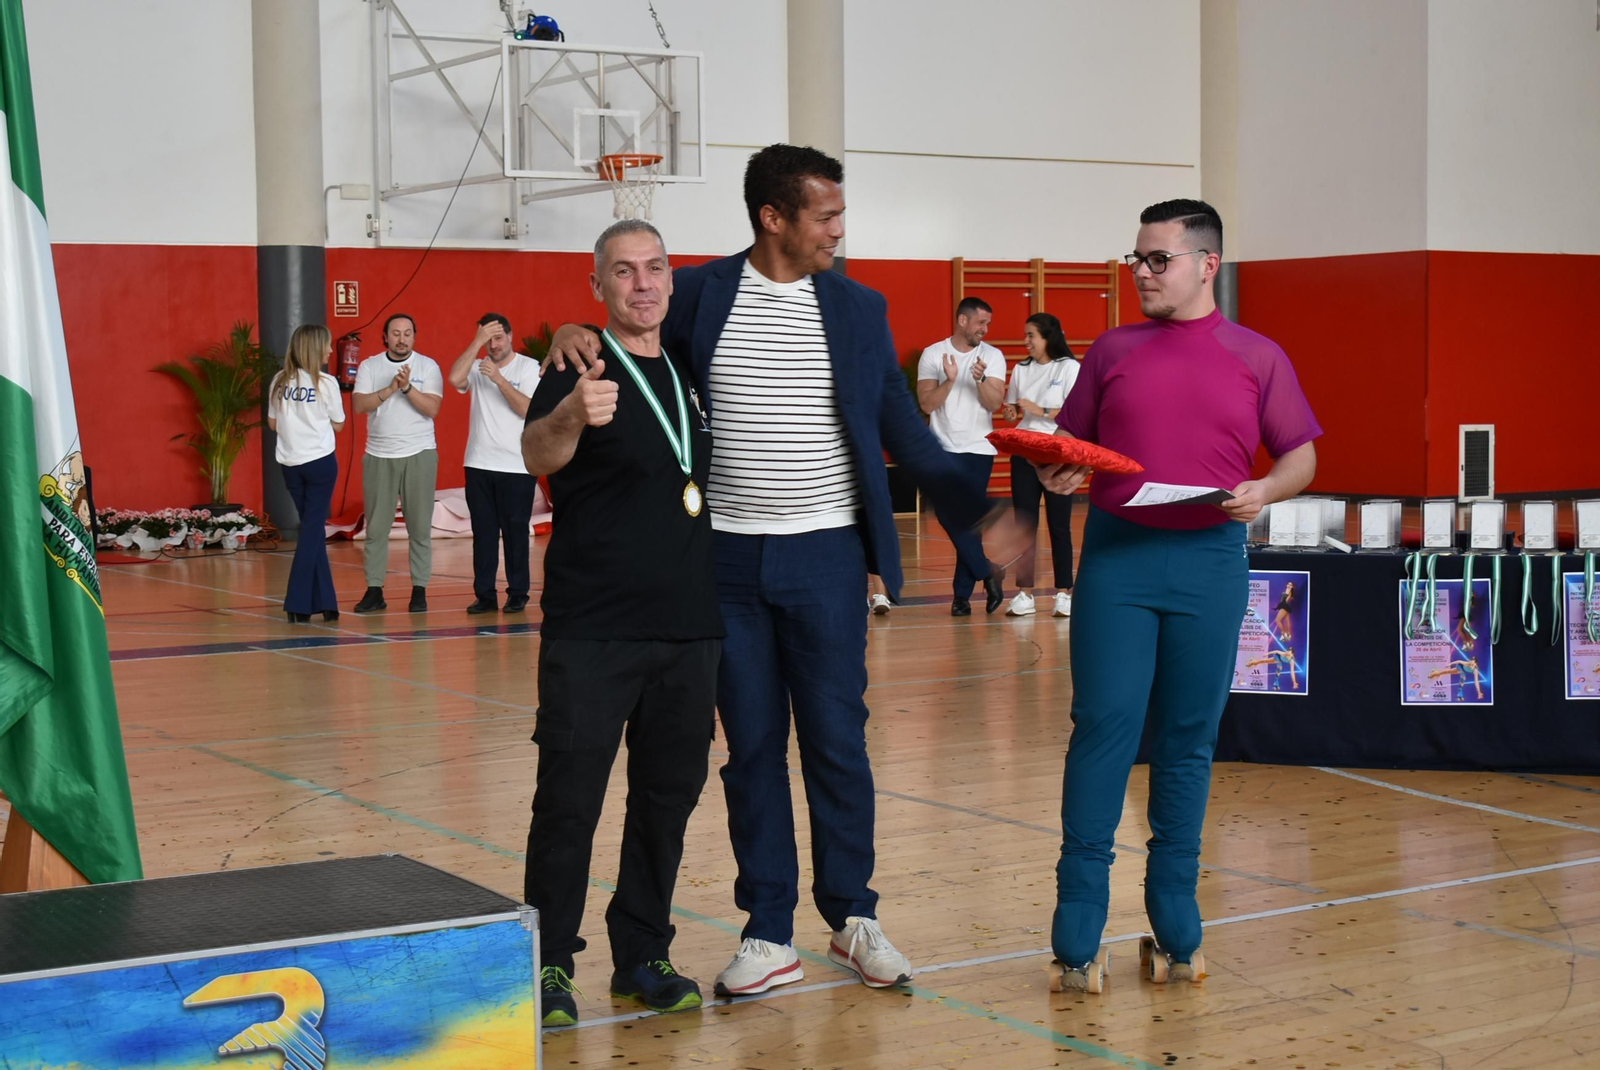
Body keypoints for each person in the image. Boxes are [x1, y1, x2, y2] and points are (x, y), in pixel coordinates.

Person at [544, 144, 1025, 999]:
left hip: (827, 556)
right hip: (720, 561)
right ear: (775, 218)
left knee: (838, 739)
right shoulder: (700, 293)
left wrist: (979, 517)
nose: (840, 229)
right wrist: (568, 334)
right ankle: (768, 932)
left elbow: (901, 434)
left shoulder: (857, 308)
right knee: (752, 750)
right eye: (827, 215)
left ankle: (852, 917)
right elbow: (632, 337)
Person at [1037, 199, 1321, 992]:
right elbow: (1071, 450)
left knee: (1189, 740)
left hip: (1211, 564)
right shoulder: (1111, 351)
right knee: (1103, 728)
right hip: (1119, 563)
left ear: (1207, 264)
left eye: (1158, 260)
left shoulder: (1257, 356)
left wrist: (1265, 488)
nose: (1143, 274)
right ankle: (1078, 922)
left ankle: (1177, 921)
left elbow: (1300, 457)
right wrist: (1055, 470)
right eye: (1137, 259)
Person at [519, 220, 721, 1027]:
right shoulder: (576, 362)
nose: (643, 284)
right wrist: (571, 412)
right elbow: (536, 453)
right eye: (624, 272)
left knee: (666, 799)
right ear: (596, 285)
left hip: (688, 629)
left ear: (672, 279)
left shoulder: (688, 364)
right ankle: (549, 966)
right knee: (569, 801)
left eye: (656, 268)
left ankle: (641, 953)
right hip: (593, 629)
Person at [917, 299, 1008, 615]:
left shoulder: (993, 356)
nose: (985, 329)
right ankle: (988, 571)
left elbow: (994, 404)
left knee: (967, 525)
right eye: (981, 323)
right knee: (948, 516)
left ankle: (961, 597)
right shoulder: (933, 354)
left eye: (988, 324)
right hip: (941, 450)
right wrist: (951, 380)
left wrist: (980, 379)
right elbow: (927, 405)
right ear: (962, 321)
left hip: (978, 450)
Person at [449, 312, 540, 614]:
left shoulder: (529, 368)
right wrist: (476, 342)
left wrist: (499, 379)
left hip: (516, 465)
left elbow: (528, 409)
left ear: (511, 336)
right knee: (483, 533)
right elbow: (454, 379)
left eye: (498, 337)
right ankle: (485, 594)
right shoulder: (476, 366)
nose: (494, 345)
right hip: (478, 463)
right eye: (488, 339)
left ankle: (518, 593)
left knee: (515, 532)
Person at [351, 314, 442, 614]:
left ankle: (419, 590)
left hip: (420, 454)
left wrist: (407, 388)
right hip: (379, 455)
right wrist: (390, 389)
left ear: (414, 336)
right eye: (395, 333)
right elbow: (359, 405)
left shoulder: (428, 367)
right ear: (385, 337)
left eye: (407, 333)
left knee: (419, 527)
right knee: (376, 529)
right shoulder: (370, 366)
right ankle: (374, 590)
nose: (401, 339)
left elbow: (432, 408)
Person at [1002, 312, 1080, 618]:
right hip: (1024, 450)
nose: (1026, 342)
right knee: (1025, 524)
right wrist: (1011, 414)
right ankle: (1025, 593)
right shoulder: (1021, 369)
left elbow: (1073, 413)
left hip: (1057, 451)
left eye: (1031, 335)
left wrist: (1042, 409)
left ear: (1048, 337)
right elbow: (1013, 410)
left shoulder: (1070, 367)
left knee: (1059, 524)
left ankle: (1064, 593)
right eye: (1025, 336)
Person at [266, 324, 345, 623]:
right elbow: (339, 424)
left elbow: (273, 424)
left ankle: (327, 602)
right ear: (314, 349)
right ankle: (297, 603)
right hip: (320, 464)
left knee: (311, 531)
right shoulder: (326, 383)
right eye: (326, 345)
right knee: (312, 532)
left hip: (290, 466)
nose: (329, 351)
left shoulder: (279, 381)